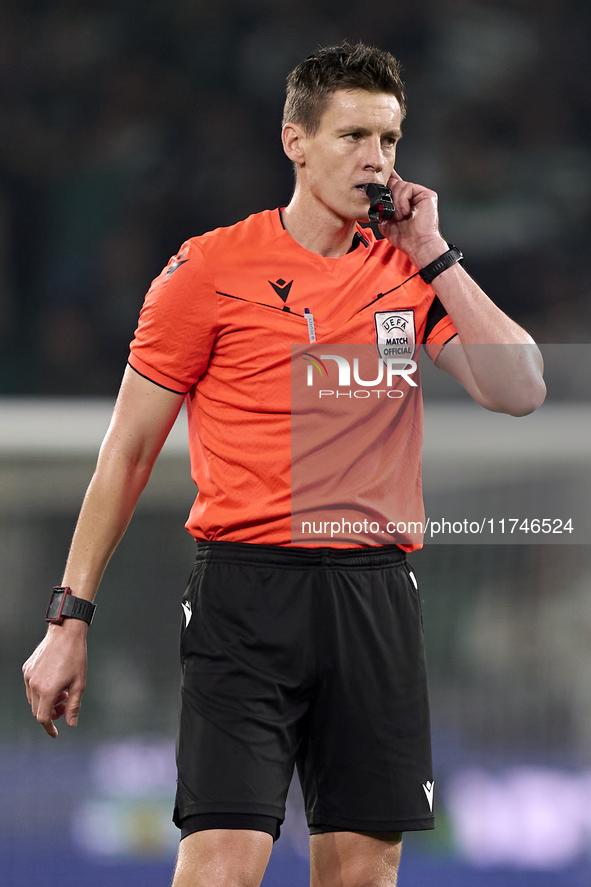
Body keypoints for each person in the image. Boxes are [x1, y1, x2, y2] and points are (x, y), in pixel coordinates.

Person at [23, 41, 545, 887]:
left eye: (390, 138)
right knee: (220, 871)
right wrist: (67, 616)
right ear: (294, 142)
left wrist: (436, 252)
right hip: (246, 595)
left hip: (373, 591)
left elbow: (520, 388)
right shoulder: (207, 270)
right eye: (352, 136)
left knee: (360, 877)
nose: (375, 158)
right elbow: (124, 452)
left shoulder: (407, 274)